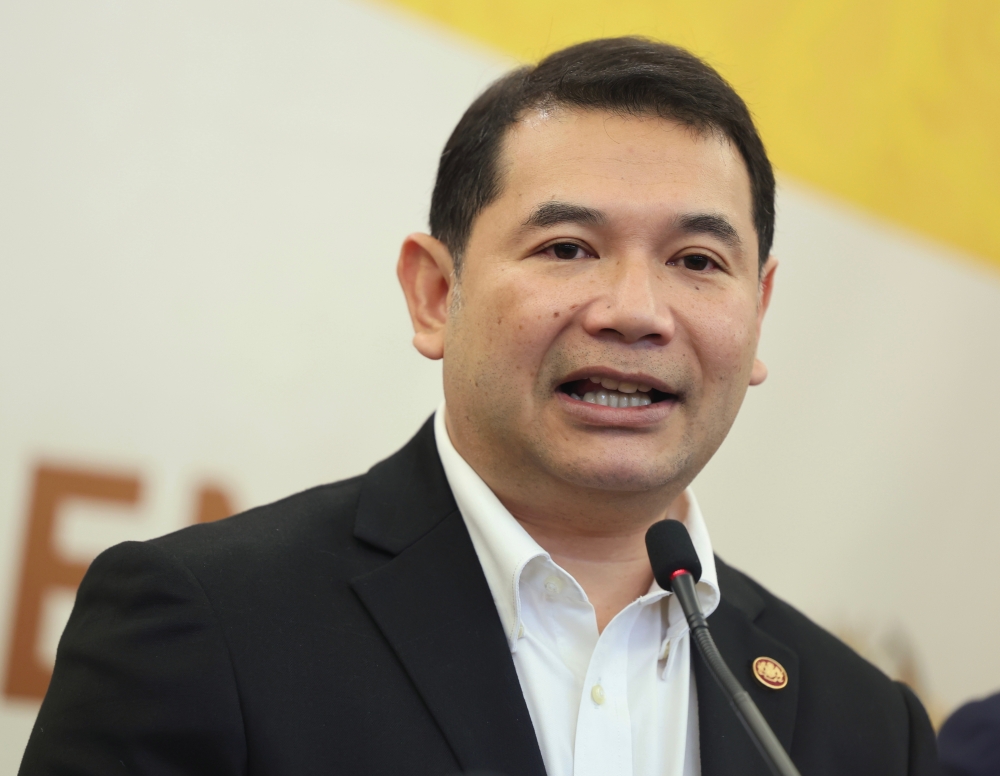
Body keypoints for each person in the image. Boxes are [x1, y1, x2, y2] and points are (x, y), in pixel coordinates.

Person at [20, 37, 938, 776]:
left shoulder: (861, 727)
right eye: (569, 247)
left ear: (759, 312)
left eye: (697, 262)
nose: (635, 311)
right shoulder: (206, 626)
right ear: (433, 294)